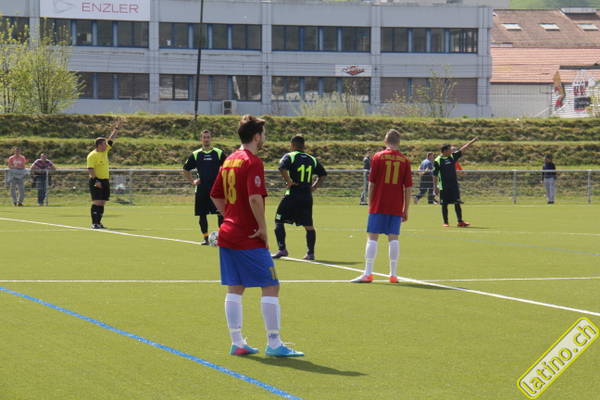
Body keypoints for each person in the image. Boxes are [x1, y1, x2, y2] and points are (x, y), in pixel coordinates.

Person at [210, 115, 303, 358]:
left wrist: (229, 215)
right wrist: (262, 228)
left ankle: (237, 341)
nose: (264, 138)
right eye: (263, 134)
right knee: (271, 285)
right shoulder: (252, 161)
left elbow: (215, 195)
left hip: (228, 232)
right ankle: (274, 343)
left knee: (235, 287)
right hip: (248, 234)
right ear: (256, 136)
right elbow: (254, 198)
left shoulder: (229, 159)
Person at [351, 129, 413, 284]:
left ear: (385, 142)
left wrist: (370, 203)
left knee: (372, 237)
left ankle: (368, 273)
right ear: (399, 143)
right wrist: (405, 209)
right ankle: (393, 274)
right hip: (396, 205)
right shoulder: (405, 160)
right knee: (394, 238)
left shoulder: (378, 157)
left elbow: (371, 183)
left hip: (379, 204)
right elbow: (408, 188)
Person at [271, 135, 327, 261]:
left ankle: (282, 249)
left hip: (292, 194)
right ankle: (310, 253)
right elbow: (323, 174)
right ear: (304, 145)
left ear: (292, 145)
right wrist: (314, 186)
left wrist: (289, 181)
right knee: (308, 225)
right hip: (306, 196)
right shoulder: (312, 159)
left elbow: (281, 167)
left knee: (278, 220)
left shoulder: (290, 156)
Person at [183, 130, 226, 245]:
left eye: (208, 137)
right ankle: (206, 239)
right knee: (202, 214)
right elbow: (186, 169)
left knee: (220, 214)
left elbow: (228, 167)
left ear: (211, 138)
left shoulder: (218, 153)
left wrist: (223, 179)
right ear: (201, 139)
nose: (206, 139)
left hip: (216, 190)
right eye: (204, 137)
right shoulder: (196, 154)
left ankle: (222, 238)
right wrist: (193, 181)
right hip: (201, 190)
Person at [433, 138, 478, 228]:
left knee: (457, 202)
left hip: (453, 185)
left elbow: (463, 149)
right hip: (443, 186)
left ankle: (460, 221)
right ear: (445, 151)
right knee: (444, 204)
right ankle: (445, 222)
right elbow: (435, 175)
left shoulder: (452, 157)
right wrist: (435, 187)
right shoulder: (437, 160)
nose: (452, 150)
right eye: (450, 149)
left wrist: (473, 141)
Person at [87, 120, 121, 229]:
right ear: (98, 145)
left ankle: (99, 222)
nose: (106, 145)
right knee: (97, 202)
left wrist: (116, 129)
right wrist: (96, 180)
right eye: (103, 144)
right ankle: (94, 223)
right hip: (96, 180)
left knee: (102, 202)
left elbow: (111, 139)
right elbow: (90, 169)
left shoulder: (104, 151)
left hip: (105, 180)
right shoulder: (92, 155)